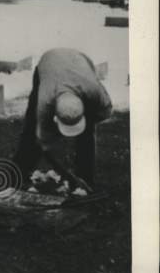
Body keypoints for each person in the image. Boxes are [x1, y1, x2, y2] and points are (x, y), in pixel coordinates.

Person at [13, 48, 112, 188]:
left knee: (87, 133)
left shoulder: (95, 93)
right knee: (31, 126)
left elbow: (105, 112)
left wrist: (87, 122)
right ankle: (20, 171)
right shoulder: (45, 99)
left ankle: (85, 179)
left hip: (80, 61)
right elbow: (42, 135)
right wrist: (48, 146)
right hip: (49, 62)